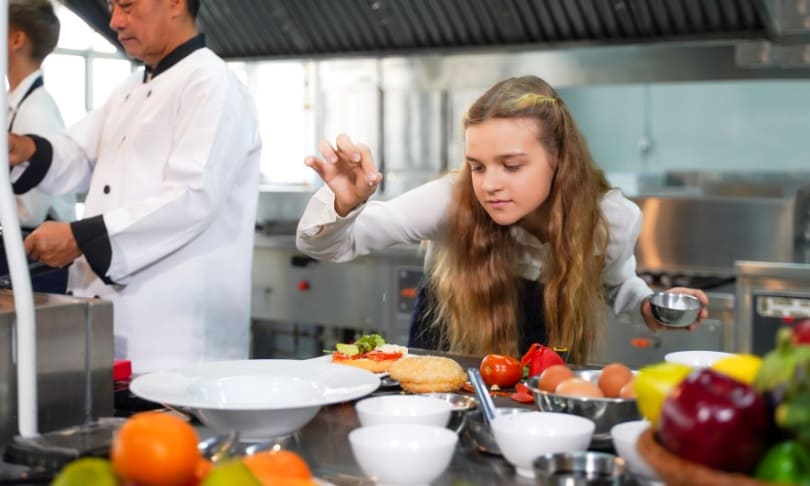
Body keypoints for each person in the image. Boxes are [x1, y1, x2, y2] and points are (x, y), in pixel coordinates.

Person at [296, 75, 708, 364]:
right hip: (444, 375)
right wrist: (344, 203)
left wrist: (648, 307)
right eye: (477, 166)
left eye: (511, 165)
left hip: (537, 386)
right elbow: (330, 245)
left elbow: (618, 285)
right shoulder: (449, 199)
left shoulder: (609, 221)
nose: (489, 184)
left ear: (559, 160)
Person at [7, 0, 262, 373]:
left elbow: (191, 198)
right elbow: (77, 154)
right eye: (111, 7)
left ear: (175, 3)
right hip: (116, 328)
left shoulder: (211, 84)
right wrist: (23, 148)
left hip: (177, 343)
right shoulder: (130, 88)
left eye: (126, 6)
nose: (115, 22)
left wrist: (80, 237)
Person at [5, 0, 75, 293]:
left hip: (39, 267)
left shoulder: (37, 112)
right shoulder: (14, 104)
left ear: (16, 39)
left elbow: (28, 213)